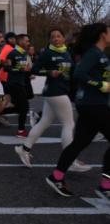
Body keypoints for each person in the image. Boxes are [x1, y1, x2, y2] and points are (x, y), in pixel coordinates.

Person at [46, 23, 110, 201]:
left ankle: (56, 177)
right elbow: (79, 73)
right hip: (93, 104)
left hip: (91, 104)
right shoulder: (93, 54)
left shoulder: (99, 54)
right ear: (102, 35)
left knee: (79, 143)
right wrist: (100, 85)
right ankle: (106, 186)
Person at [14, 29, 90, 172]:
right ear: (49, 40)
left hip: (58, 92)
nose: (56, 39)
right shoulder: (47, 53)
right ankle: (71, 160)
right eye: (53, 37)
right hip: (55, 92)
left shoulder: (66, 53)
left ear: (63, 38)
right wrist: (49, 72)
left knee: (44, 122)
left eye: (59, 36)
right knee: (69, 124)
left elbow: (72, 73)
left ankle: (23, 148)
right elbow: (34, 70)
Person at [2, 34, 32, 137]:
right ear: (20, 42)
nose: (28, 43)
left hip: (20, 83)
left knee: (19, 108)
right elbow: (6, 68)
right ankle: (21, 130)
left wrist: (27, 72)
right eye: (27, 41)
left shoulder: (23, 53)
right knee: (24, 107)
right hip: (14, 84)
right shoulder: (12, 53)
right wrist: (20, 69)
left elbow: (22, 69)